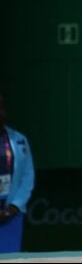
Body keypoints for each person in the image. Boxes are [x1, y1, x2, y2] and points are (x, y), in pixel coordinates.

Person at [0, 91, 35, 253]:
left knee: (9, 258)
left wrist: (14, 207)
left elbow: (28, 176)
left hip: (10, 216)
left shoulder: (18, 139)